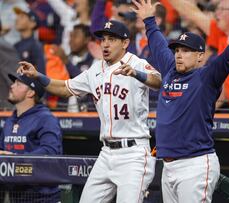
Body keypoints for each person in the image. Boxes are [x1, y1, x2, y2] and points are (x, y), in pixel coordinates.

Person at [17, 20, 162, 203]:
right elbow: (65, 88)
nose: (105, 44)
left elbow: (158, 81)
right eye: (103, 39)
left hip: (133, 153)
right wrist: (38, 76)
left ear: (125, 43)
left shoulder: (137, 63)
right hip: (106, 152)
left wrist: (136, 74)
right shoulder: (95, 70)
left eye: (111, 39)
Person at [132, 0, 229, 202]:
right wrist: (149, 20)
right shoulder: (170, 71)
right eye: (177, 50)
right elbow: (158, 45)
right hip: (168, 166)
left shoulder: (206, 77)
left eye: (186, 51)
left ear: (200, 56)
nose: (179, 55)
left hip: (195, 164)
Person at [0, 73, 62, 202]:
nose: (12, 86)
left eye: (18, 84)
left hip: (42, 197)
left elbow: (51, 152)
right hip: (16, 197)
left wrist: (16, 160)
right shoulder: (10, 120)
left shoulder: (45, 119)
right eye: (13, 83)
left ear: (30, 93)